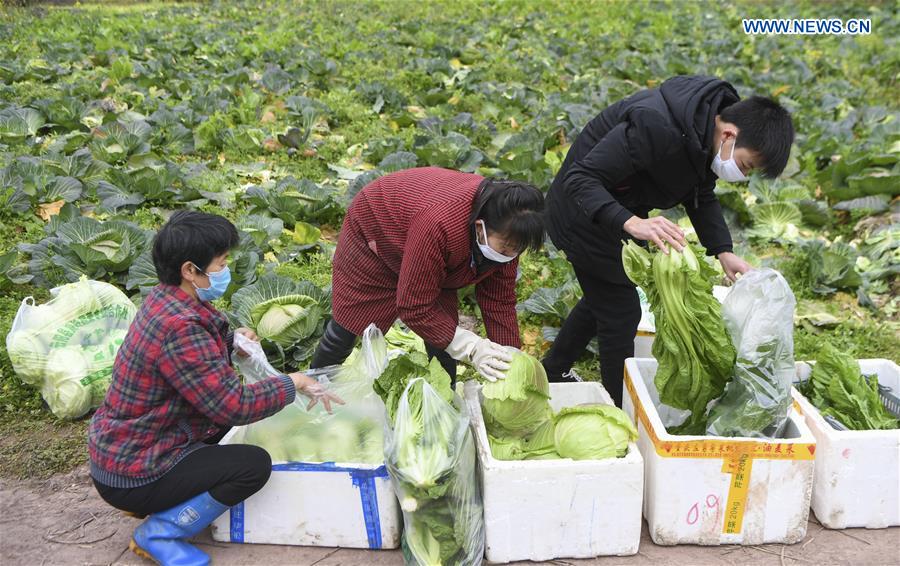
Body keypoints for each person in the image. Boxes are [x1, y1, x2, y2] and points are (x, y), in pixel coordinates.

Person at [88, 211, 341, 566]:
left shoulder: (166, 300)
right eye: (221, 263)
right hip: (134, 470)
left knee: (239, 431)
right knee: (252, 464)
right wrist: (292, 382)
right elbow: (233, 405)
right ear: (190, 270)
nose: (225, 270)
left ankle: (161, 500)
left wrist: (232, 339)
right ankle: (159, 531)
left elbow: (195, 358)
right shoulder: (180, 328)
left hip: (128, 447)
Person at [542, 75, 794, 405]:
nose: (743, 176)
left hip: (620, 211)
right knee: (621, 311)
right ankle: (620, 409)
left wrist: (723, 251)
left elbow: (700, 192)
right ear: (730, 134)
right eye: (746, 166)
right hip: (582, 208)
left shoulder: (705, 129)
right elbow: (581, 178)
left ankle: (555, 369)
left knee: (607, 294)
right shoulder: (656, 125)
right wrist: (632, 223)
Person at [310, 166, 545, 383]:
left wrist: (510, 358)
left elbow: (499, 301)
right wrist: (472, 347)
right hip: (377, 230)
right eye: (505, 248)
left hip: (426, 240)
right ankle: (313, 385)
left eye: (517, 250)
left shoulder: (508, 230)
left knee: (442, 325)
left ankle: (446, 398)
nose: (510, 255)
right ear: (479, 227)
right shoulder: (439, 223)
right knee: (351, 321)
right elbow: (414, 307)